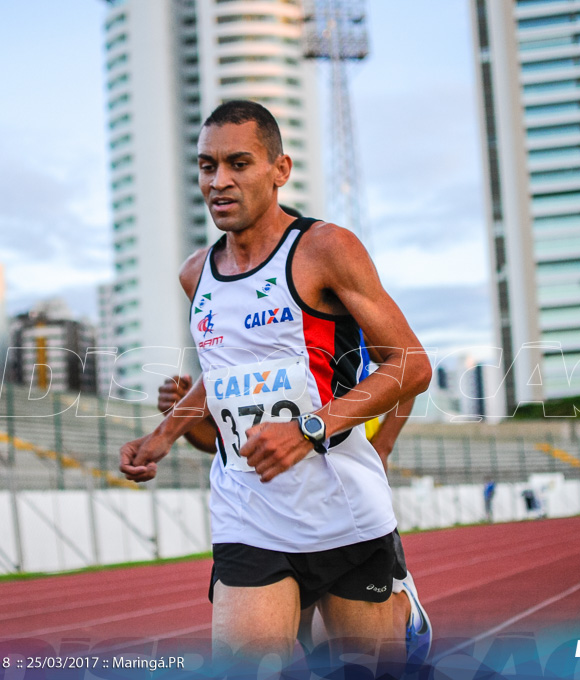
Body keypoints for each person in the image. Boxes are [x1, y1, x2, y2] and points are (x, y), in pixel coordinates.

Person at [119, 100, 432, 668]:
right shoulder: (197, 273)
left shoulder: (324, 249)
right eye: (207, 166)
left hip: (342, 509)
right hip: (249, 511)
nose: (219, 181)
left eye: (239, 163)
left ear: (279, 169)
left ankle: (403, 611)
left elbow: (410, 365)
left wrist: (308, 430)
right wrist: (163, 436)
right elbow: (222, 377)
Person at [157, 375, 431, 658]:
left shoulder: (345, 331)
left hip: (345, 489)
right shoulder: (220, 344)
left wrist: (383, 445)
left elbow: (405, 367)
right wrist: (181, 417)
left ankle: (402, 607)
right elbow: (224, 442)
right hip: (261, 507)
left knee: (339, 649)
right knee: (290, 642)